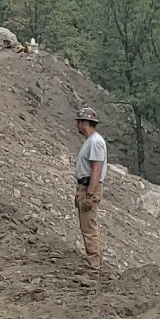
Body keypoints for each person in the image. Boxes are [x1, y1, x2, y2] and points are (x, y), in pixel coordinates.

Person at [74, 107, 107, 276]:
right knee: (87, 227)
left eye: (79, 122)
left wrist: (89, 194)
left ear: (85, 122)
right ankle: (93, 263)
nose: (77, 126)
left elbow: (96, 169)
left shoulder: (95, 142)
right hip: (86, 186)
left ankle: (93, 268)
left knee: (89, 228)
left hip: (88, 187)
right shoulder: (91, 141)